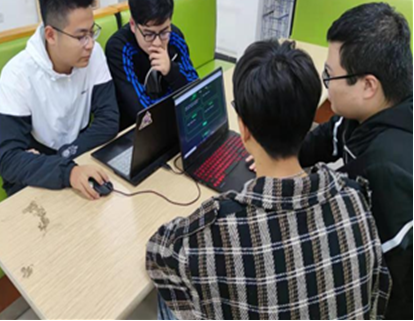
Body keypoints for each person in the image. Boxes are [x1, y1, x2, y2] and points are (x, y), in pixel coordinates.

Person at [147, 40, 392, 320]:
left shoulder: (213, 232)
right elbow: (379, 295)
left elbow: (157, 253)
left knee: (168, 298)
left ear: (243, 128)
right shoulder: (356, 200)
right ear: (309, 120)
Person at [299, 3, 413, 320]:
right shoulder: (368, 112)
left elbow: (390, 283)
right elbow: (328, 136)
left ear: (367, 85)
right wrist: (281, 154)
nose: (327, 83)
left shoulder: (387, 169)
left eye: (330, 75)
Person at [0, 0, 119, 201]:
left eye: (92, 32)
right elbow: (9, 160)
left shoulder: (94, 55)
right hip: (41, 173)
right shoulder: (17, 74)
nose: (90, 44)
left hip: (71, 157)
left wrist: (64, 157)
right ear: (51, 35)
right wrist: (68, 171)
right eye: (81, 36)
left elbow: (109, 120)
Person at [106, 0, 198, 130]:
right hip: (136, 131)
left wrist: (171, 70)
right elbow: (142, 113)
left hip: (176, 121)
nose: (157, 42)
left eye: (164, 32)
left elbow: (196, 89)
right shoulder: (119, 48)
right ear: (133, 25)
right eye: (148, 34)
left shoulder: (174, 36)